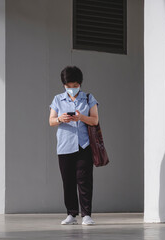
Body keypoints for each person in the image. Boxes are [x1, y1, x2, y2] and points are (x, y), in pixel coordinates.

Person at [49, 66, 99, 225]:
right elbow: (51, 121)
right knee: (68, 181)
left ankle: (87, 215)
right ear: (64, 85)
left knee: (84, 180)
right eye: (68, 86)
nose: (72, 89)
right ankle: (71, 214)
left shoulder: (89, 98)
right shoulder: (57, 99)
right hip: (64, 145)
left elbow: (95, 120)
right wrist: (60, 119)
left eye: (75, 85)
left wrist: (81, 118)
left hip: (83, 145)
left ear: (80, 83)